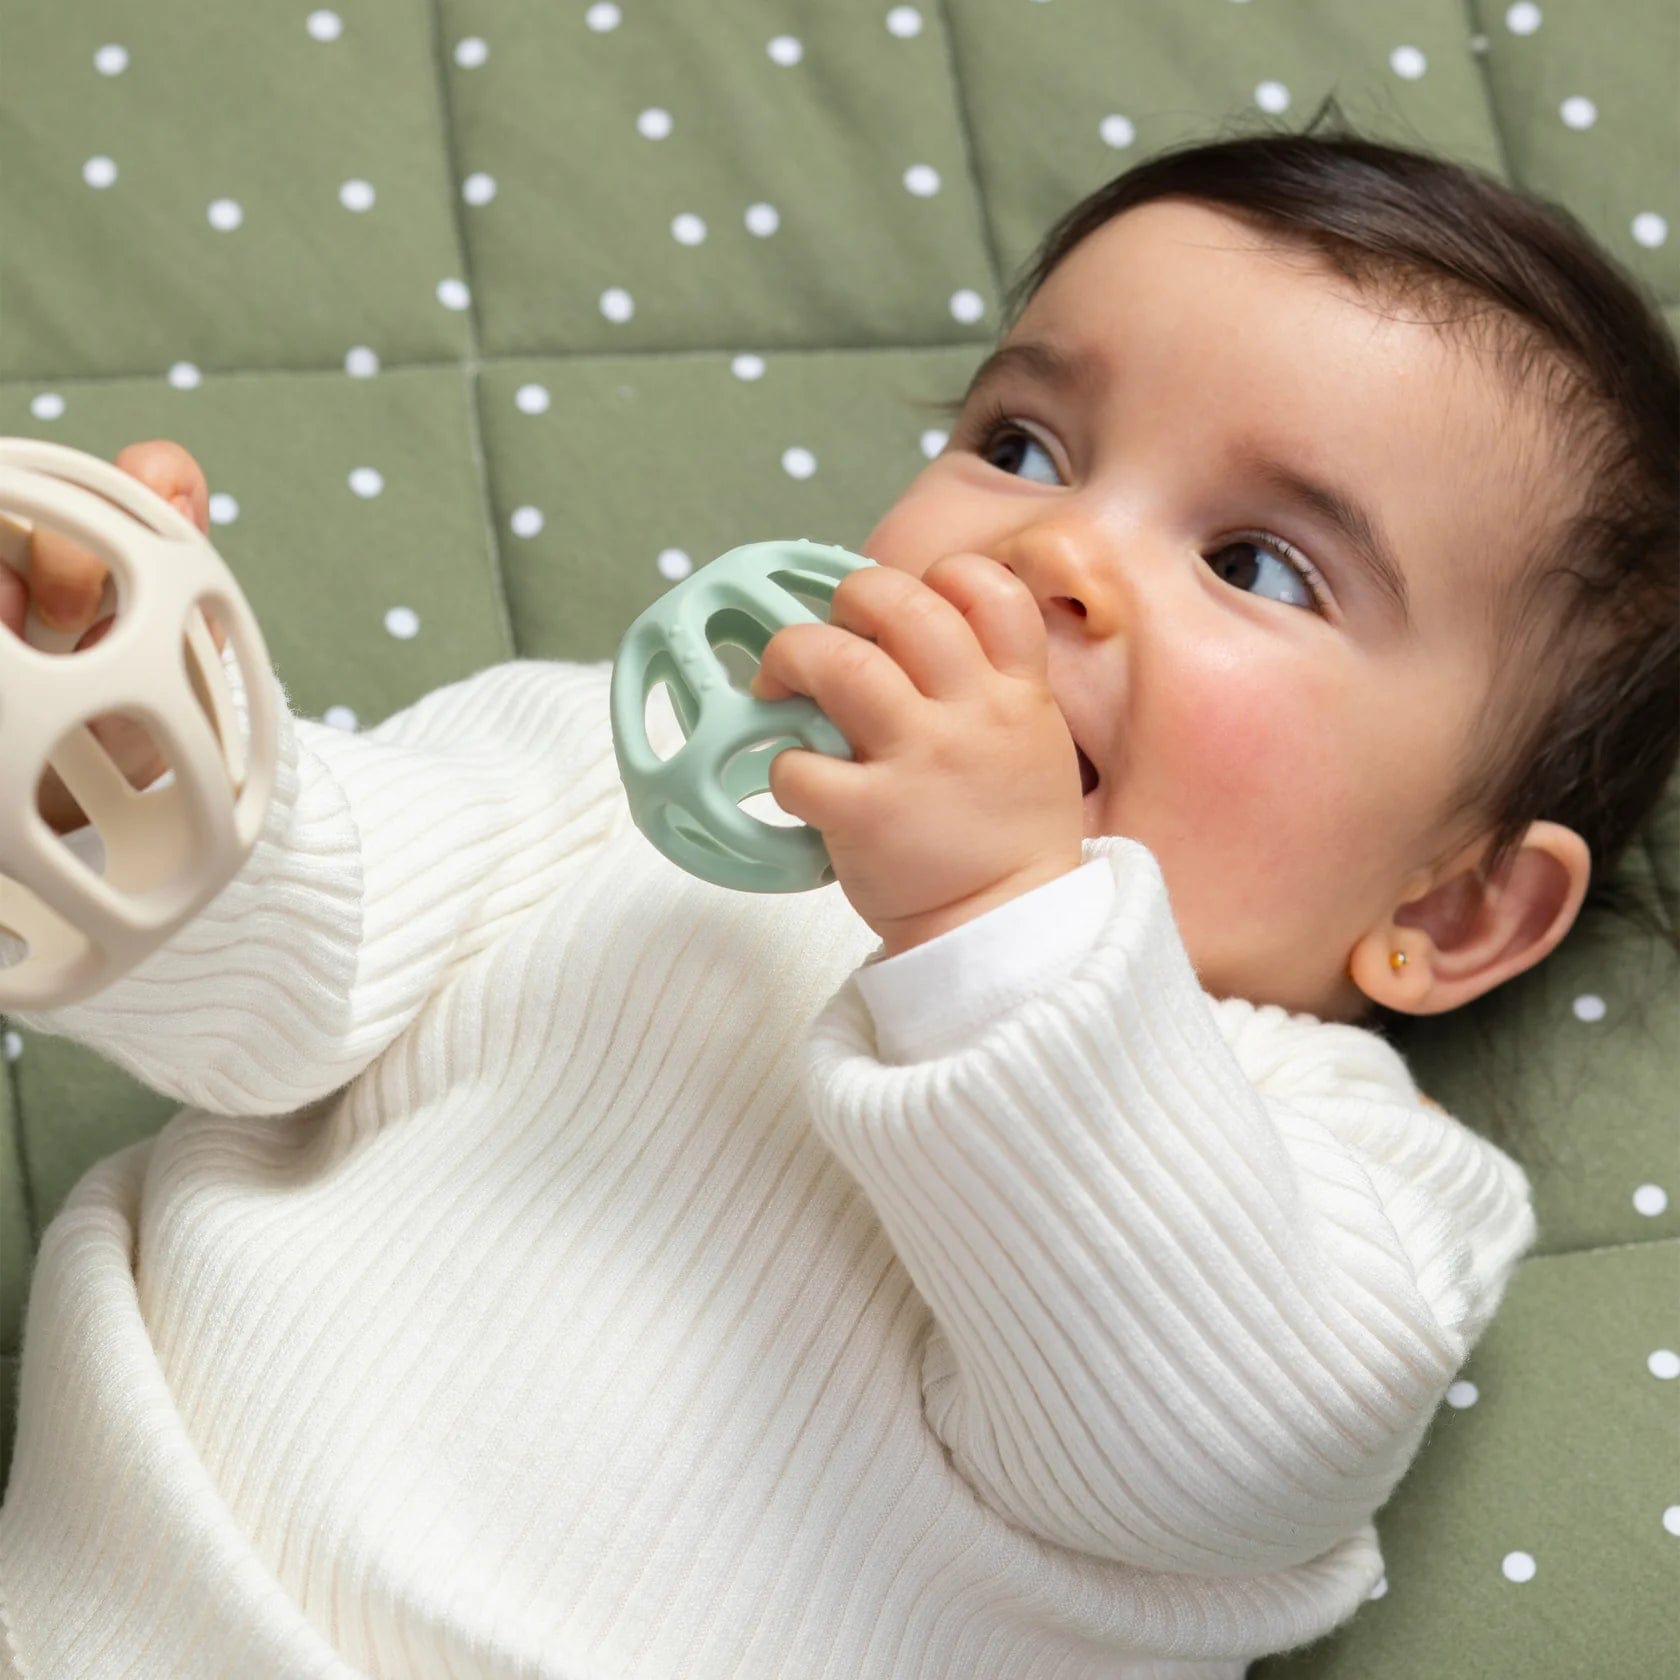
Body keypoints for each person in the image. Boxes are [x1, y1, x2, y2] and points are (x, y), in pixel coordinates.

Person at [0, 127, 1674, 1679]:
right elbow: (284, 967)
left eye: (1258, 564)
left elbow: (1215, 1453)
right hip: (117, 1594)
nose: (1054, 553)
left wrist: (996, 925)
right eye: (1021, 444)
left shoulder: (1349, 1178)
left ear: (1455, 910)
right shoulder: (611, 765)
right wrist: (118, 744)